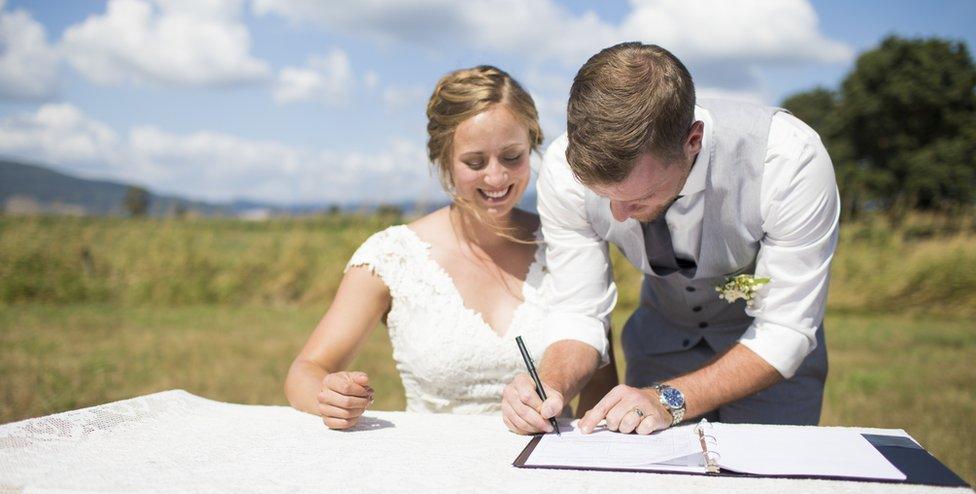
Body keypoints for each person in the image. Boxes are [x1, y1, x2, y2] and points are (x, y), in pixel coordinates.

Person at [501, 42, 840, 436]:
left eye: (638, 197)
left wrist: (668, 400)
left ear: (692, 140)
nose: (617, 215)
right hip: (657, 348)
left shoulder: (788, 159)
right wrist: (552, 385)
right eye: (604, 196)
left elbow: (786, 328)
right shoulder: (562, 171)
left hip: (769, 366)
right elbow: (580, 309)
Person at [285, 65, 617, 429]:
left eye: (512, 157)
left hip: (541, 466)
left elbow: (600, 389)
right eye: (475, 162)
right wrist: (330, 395)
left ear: (532, 146)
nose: (496, 177)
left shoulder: (571, 243)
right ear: (443, 160)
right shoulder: (392, 256)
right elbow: (305, 371)